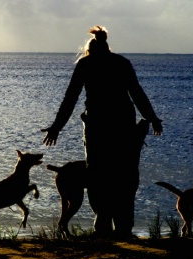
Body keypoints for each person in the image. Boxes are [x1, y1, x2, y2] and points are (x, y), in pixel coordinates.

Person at [42, 25, 163, 240]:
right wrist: (152, 118)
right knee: (124, 176)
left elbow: (70, 98)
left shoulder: (85, 64)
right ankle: (124, 228)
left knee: (99, 176)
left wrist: (57, 127)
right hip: (123, 125)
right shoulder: (122, 63)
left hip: (97, 128)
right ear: (107, 46)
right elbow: (137, 93)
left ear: (89, 49)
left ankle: (104, 225)